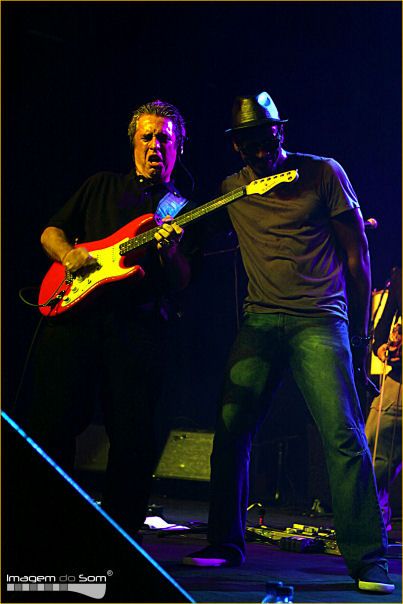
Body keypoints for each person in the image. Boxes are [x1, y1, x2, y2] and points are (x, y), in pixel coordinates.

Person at [183, 91, 394, 593]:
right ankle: (224, 543)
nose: (262, 149)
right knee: (230, 428)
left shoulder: (323, 173)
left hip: (320, 319)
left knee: (343, 434)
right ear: (237, 146)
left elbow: (357, 255)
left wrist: (361, 333)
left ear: (281, 131)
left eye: (268, 136)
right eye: (250, 142)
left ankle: (368, 559)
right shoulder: (231, 190)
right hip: (260, 319)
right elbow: (193, 232)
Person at [14, 99, 197, 539]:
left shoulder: (181, 207)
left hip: (137, 329)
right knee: (54, 423)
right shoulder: (101, 185)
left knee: (133, 436)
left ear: (179, 148)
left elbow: (183, 280)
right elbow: (51, 232)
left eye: (165, 139)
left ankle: (120, 536)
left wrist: (170, 252)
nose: (155, 145)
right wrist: (68, 255)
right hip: (76, 321)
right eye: (147, 137)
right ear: (133, 143)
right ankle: (44, 523)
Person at [365, 266, 402, 531]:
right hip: (398, 381)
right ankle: (374, 523)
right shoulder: (400, 278)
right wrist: (384, 347)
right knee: (374, 450)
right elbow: (381, 328)